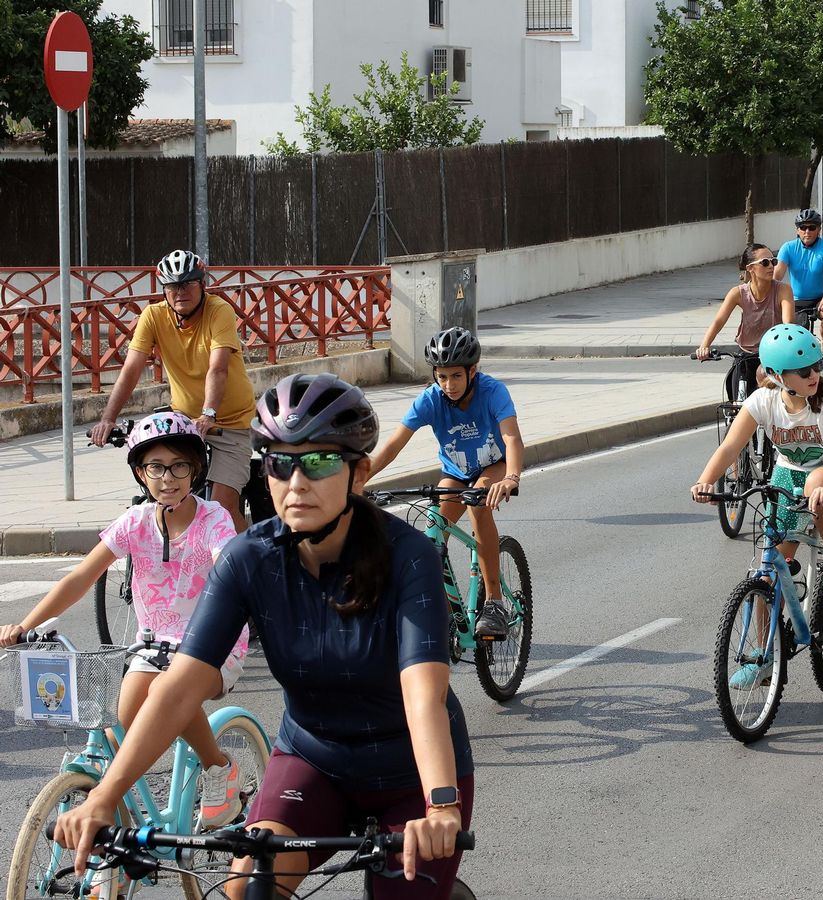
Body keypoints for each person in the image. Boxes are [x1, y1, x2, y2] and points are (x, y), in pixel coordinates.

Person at [54, 374, 473, 899]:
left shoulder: (409, 556)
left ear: (359, 473)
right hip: (313, 760)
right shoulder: (248, 558)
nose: (296, 483)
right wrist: (103, 796)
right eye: (279, 463)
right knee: (247, 884)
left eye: (319, 462)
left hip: (411, 771)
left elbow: (423, 695)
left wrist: (441, 804)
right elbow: (179, 686)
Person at [2, 410, 247, 830]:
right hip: (153, 644)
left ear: (196, 469)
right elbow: (81, 577)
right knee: (125, 715)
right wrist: (25, 625)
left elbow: (229, 566)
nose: (167, 478)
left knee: (169, 689)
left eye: (179, 466)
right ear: (140, 472)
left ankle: (219, 769)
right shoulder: (134, 522)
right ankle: (129, 820)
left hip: (213, 643)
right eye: (156, 467)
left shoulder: (213, 520)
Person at [691, 325, 823, 689]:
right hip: (787, 477)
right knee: (766, 573)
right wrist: (705, 481)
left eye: (816, 366)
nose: (814, 374)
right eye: (803, 371)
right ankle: (763, 659)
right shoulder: (764, 401)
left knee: (817, 484)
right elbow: (730, 446)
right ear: (777, 375)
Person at [367, 327, 523, 639]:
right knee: (432, 534)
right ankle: (444, 610)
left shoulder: (493, 392)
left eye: (456, 376)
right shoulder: (430, 400)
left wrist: (511, 477)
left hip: (494, 466)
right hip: (455, 473)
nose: (449, 385)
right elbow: (393, 446)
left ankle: (494, 601)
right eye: (441, 377)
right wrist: (356, 479)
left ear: (472, 371)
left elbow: (512, 438)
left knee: (477, 503)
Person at [89, 250, 257, 531]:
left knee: (222, 507)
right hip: (185, 422)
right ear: (164, 290)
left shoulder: (219, 311)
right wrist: (108, 418)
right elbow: (131, 369)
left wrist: (208, 414)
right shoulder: (154, 316)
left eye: (188, 284)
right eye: (173, 286)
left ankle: (246, 558)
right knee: (167, 493)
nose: (181, 292)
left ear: (202, 285)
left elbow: (218, 368)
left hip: (231, 424)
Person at [694, 243, 797, 403]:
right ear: (750, 268)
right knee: (737, 400)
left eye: (774, 261)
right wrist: (704, 346)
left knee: (775, 401)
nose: (771, 266)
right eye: (765, 262)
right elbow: (719, 321)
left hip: (773, 355)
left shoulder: (783, 290)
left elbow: (788, 323)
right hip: (745, 354)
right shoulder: (738, 293)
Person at [774, 209, 823, 338]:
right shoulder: (788, 247)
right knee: (790, 326)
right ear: (797, 230)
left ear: (819, 229)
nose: (807, 231)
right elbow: (777, 274)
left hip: (822, 297)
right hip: (796, 299)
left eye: (812, 227)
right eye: (803, 227)